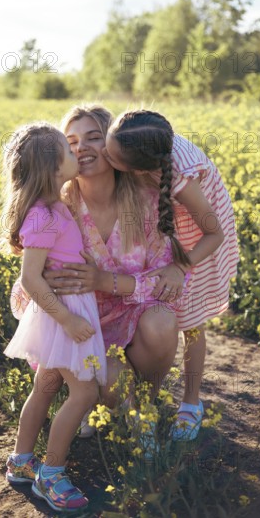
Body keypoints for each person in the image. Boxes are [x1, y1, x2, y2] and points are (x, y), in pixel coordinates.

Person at [43, 105, 190, 451]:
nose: (82, 149)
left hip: (137, 313)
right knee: (113, 385)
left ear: (114, 147)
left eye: (94, 137)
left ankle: (148, 402)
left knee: (162, 321)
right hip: (86, 324)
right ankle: (112, 407)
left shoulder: (146, 201)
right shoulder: (59, 208)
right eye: (72, 141)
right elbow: (36, 283)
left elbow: (164, 284)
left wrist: (105, 281)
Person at [103, 109, 240, 441]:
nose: (105, 156)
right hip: (169, 226)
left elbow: (214, 233)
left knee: (191, 321)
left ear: (140, 170)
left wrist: (181, 266)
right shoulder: (139, 136)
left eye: (111, 155)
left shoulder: (179, 177)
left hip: (200, 240)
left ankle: (191, 404)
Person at [0, 121, 107, 513]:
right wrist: (67, 319)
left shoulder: (54, 207)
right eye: (68, 148)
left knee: (44, 387)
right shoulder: (44, 215)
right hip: (62, 315)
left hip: (63, 311)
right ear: (52, 166)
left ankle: (21, 461)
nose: (76, 153)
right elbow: (30, 277)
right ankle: (51, 473)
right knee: (86, 392)